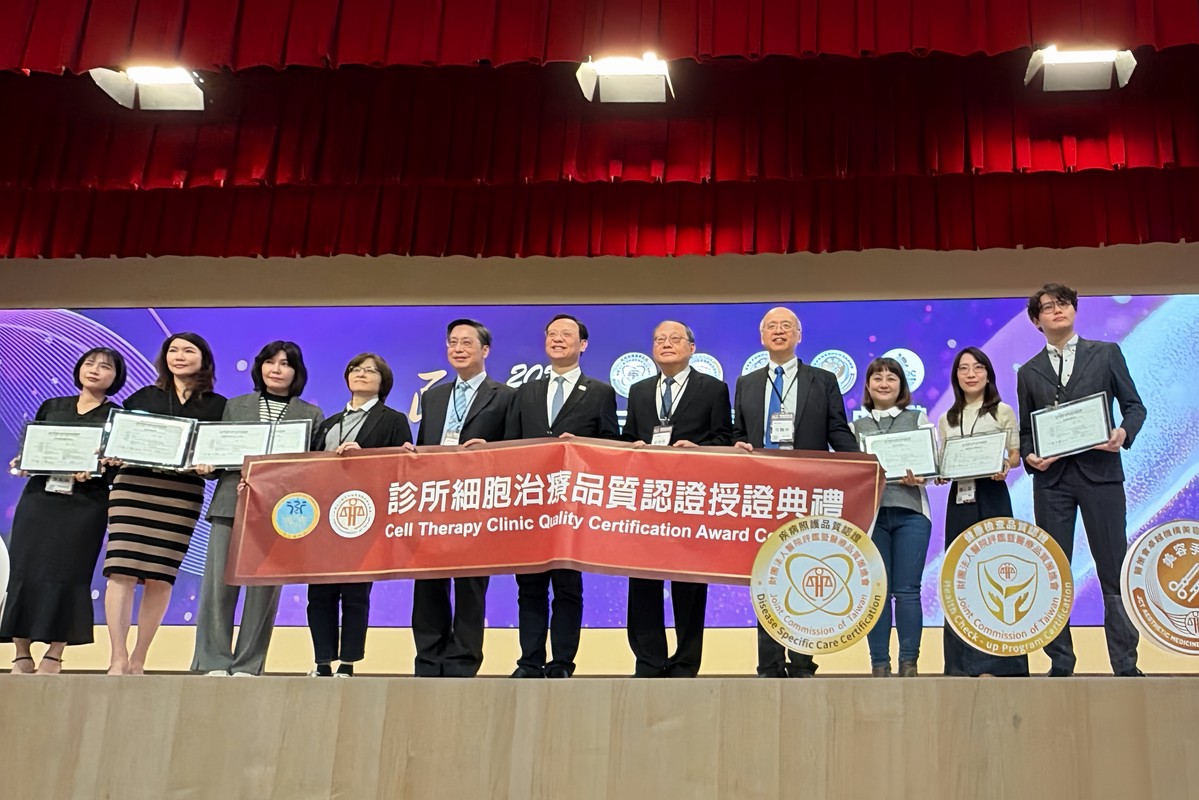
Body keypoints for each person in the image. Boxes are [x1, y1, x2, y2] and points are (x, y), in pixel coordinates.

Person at [1016, 283, 1146, 677]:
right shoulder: (1028, 371)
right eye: (1048, 307)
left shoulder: (1106, 354)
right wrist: (1029, 456)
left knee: (1113, 568)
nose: (1058, 310)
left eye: (1064, 304)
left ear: (1074, 310)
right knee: (1053, 571)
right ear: (1036, 321)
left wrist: (1122, 433)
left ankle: (1125, 663)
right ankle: (1060, 661)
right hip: (1052, 483)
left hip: (1101, 475)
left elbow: (1135, 407)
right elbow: (1026, 431)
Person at [731, 306, 858, 678]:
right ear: (762, 337)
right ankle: (769, 663)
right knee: (765, 575)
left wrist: (866, 465)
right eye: (771, 326)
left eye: (786, 326)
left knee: (805, 572)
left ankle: (803, 661)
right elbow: (738, 434)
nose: (779, 331)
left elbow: (837, 430)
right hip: (762, 490)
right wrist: (737, 446)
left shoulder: (823, 379)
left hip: (808, 488)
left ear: (799, 335)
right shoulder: (747, 382)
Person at [190, 341, 324, 677]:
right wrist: (208, 465)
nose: (276, 369)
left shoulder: (310, 414)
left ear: (297, 372)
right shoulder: (235, 406)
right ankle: (213, 660)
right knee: (218, 586)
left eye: (285, 364)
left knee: (264, 589)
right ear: (259, 367)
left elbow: (313, 469)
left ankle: (249, 663)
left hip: (279, 512)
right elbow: (219, 454)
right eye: (269, 362)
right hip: (229, 503)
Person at [103, 333, 227, 675]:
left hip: (180, 496)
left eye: (188, 350)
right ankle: (117, 657)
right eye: (173, 350)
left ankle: (139, 658)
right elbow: (117, 440)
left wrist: (212, 466)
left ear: (204, 359)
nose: (179, 356)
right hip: (133, 491)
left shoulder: (219, 406)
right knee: (121, 571)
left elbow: (222, 456)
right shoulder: (143, 397)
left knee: (161, 575)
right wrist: (113, 453)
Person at [504, 313, 619, 678]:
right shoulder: (526, 392)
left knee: (568, 588)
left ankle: (562, 663)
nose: (557, 339)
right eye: (551, 334)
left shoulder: (599, 392)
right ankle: (529, 661)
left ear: (582, 344)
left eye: (566, 334)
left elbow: (611, 446)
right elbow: (510, 445)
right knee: (530, 587)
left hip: (574, 507)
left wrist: (581, 446)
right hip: (531, 504)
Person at [2, 348, 127, 674]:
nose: (95, 370)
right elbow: (32, 447)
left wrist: (102, 468)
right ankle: (21, 653)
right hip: (39, 501)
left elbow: (117, 468)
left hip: (85, 506)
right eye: (90, 363)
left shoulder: (118, 416)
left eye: (105, 367)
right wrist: (24, 460)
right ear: (79, 369)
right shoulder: (52, 405)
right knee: (24, 570)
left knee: (71, 574)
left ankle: (55, 654)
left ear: (116, 377)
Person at [620, 320, 732, 677]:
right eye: (659, 339)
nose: (666, 344)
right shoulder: (638, 391)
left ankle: (685, 662)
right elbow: (626, 438)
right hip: (646, 500)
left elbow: (724, 439)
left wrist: (698, 449)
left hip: (690, 499)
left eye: (674, 339)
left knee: (689, 584)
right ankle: (649, 661)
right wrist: (633, 447)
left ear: (691, 348)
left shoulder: (713, 388)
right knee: (643, 582)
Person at [408, 319, 515, 677]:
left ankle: (462, 662)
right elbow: (425, 446)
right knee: (428, 582)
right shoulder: (434, 396)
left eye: (467, 343)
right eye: (452, 342)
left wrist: (493, 451)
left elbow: (516, 451)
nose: (458, 348)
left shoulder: (505, 396)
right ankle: (428, 658)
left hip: (478, 502)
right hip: (435, 501)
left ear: (485, 350)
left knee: (470, 585)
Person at [306, 353, 412, 677]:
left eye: (371, 371)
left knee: (355, 592)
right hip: (323, 517)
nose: (361, 374)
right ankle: (322, 661)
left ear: (383, 382)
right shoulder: (328, 423)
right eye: (356, 369)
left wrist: (366, 457)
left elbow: (402, 468)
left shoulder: (393, 420)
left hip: (365, 516)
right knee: (319, 593)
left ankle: (348, 662)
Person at [937, 347, 1026, 677]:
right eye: (963, 368)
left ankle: (1001, 663)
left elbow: (1015, 454)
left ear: (988, 374)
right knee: (960, 574)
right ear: (956, 376)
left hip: (992, 494)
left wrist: (1005, 464)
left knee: (999, 572)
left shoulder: (1002, 411)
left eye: (977, 367)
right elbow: (942, 460)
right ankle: (960, 664)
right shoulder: (947, 418)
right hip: (959, 498)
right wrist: (940, 471)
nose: (970, 374)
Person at [849, 357, 932, 677]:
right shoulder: (856, 427)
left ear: (902, 385)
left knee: (907, 590)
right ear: (868, 385)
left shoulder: (918, 418)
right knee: (877, 592)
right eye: (877, 378)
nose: (884, 383)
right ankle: (879, 665)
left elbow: (933, 464)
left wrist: (922, 474)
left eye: (891, 378)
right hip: (872, 519)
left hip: (912, 513)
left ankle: (909, 663)